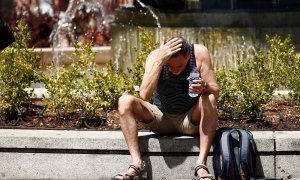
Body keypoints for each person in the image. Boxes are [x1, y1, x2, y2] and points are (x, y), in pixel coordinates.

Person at [114, 36, 220, 180]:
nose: (174, 70)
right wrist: (160, 61)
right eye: (169, 66)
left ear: (188, 55)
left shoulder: (199, 53)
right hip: (161, 118)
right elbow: (144, 94)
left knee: (210, 98)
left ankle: (201, 165)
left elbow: (216, 92)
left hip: (190, 120)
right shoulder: (155, 56)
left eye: (179, 66)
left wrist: (204, 87)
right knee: (124, 101)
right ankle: (137, 164)